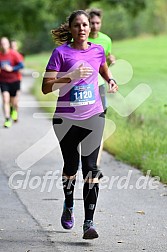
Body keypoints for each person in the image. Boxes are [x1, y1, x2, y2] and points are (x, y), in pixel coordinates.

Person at [42, 10, 118, 239]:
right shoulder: (60, 53)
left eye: (85, 25)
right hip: (66, 120)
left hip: (94, 116)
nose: (83, 28)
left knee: (91, 169)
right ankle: (68, 204)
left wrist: (110, 79)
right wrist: (71, 76)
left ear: (89, 28)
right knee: (70, 169)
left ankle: (88, 223)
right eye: (78, 25)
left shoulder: (97, 50)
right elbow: (46, 87)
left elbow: (102, 66)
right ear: (71, 29)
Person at [87, 8, 116, 166]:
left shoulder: (106, 40)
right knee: (84, 127)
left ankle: (95, 165)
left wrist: (111, 62)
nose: (95, 26)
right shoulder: (79, 39)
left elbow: (104, 64)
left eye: (98, 23)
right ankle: (85, 159)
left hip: (100, 85)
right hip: (84, 88)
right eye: (92, 23)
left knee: (99, 125)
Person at [0, 37, 24, 127]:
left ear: (8, 44)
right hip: (3, 81)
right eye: (2, 43)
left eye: (5, 43)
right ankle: (7, 119)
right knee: (5, 99)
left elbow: (21, 65)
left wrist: (12, 68)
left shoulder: (14, 54)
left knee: (14, 102)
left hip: (14, 80)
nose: (3, 45)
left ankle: (13, 110)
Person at [10, 39, 24, 122]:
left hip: (17, 80)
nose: (13, 48)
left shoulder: (19, 56)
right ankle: (11, 110)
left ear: (17, 47)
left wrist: (13, 69)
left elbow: (21, 68)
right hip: (7, 81)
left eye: (14, 46)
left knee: (16, 100)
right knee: (9, 100)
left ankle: (15, 114)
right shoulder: (7, 55)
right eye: (11, 46)